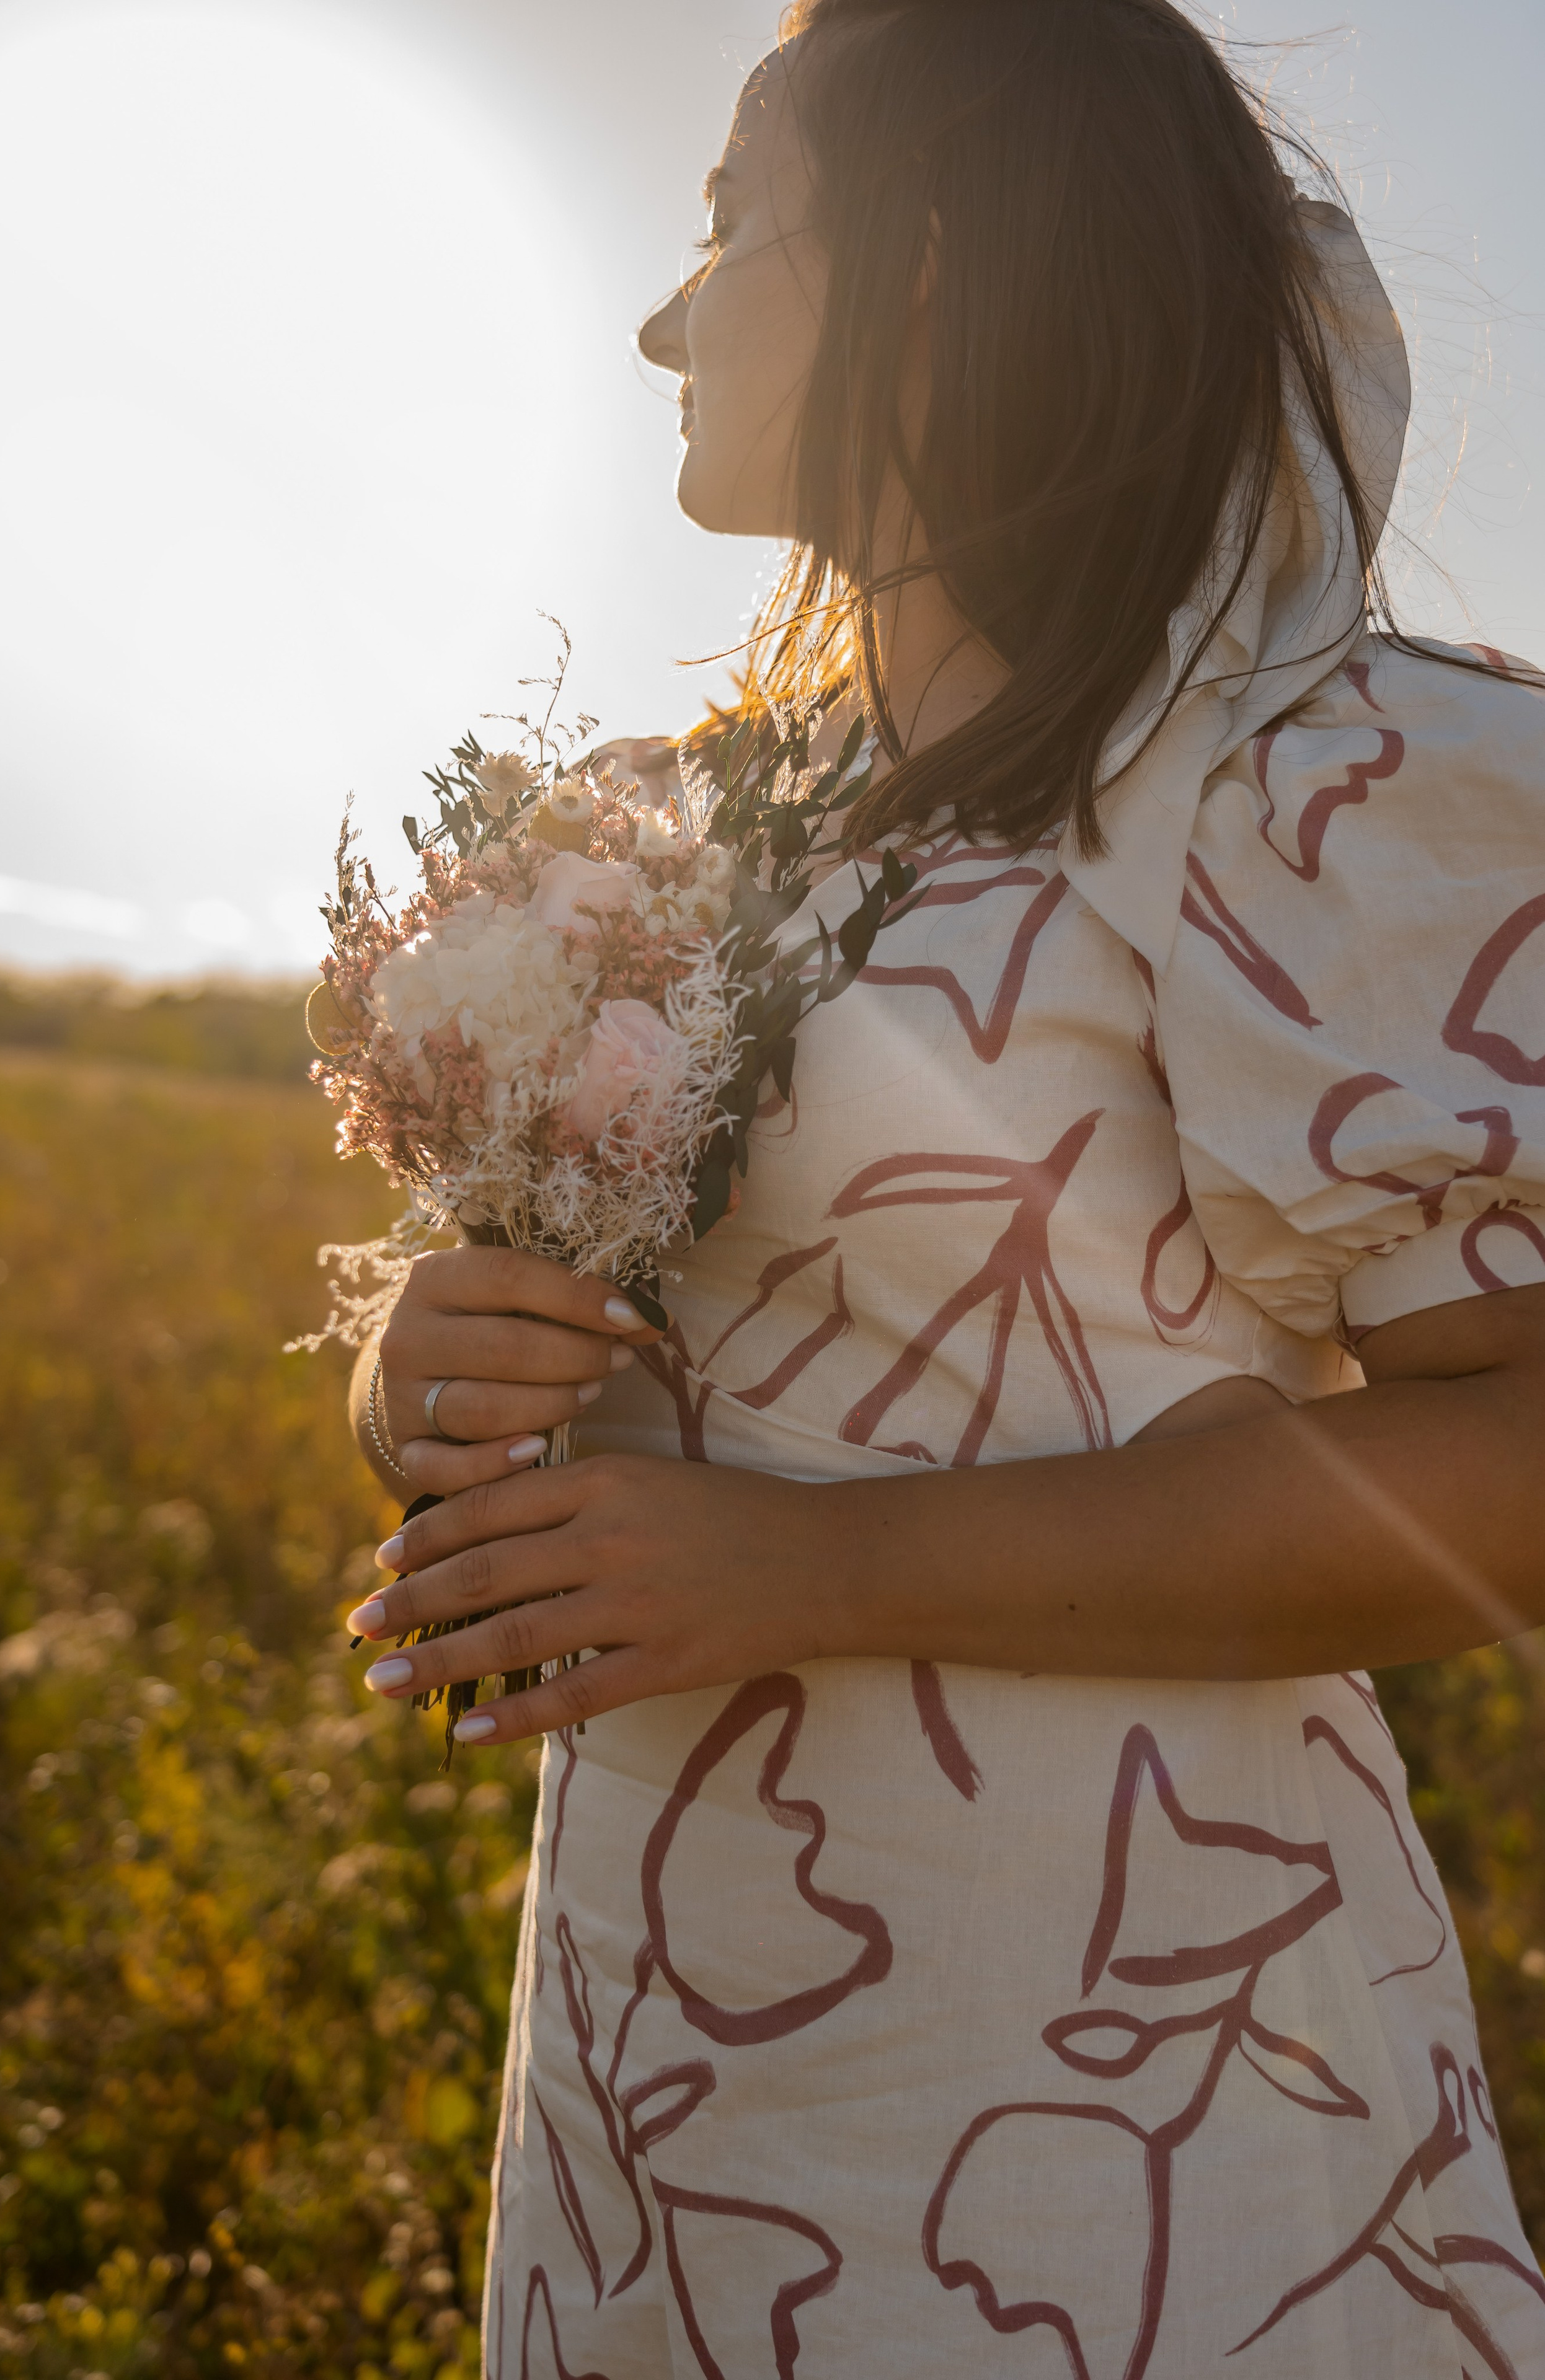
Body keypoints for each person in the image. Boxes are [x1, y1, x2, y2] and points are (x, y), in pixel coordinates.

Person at [345, 2, 1545, 2371]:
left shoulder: (1306, 779)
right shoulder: (694, 824)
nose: (667, 317)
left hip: (1108, 2032)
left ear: (924, 259)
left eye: (726, 230)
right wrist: (425, 1362)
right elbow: (666, 1349)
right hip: (663, 2039)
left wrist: (818, 1567)